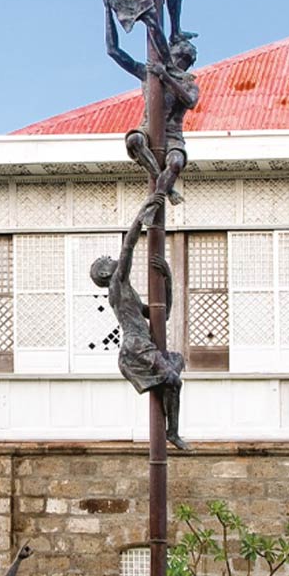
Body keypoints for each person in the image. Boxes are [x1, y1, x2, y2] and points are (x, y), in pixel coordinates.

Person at [89, 193, 189, 451]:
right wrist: (141, 217)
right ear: (104, 273)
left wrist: (167, 280)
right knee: (174, 380)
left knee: (177, 361)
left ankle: (165, 389)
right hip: (136, 346)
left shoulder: (126, 291)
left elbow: (161, 315)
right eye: (107, 262)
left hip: (143, 343)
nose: (113, 261)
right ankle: (173, 432)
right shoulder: (116, 284)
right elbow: (128, 248)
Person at [104, 0, 199, 216]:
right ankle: (165, 187)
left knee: (175, 163)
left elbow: (190, 101)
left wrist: (166, 76)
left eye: (183, 58)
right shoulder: (150, 75)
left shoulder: (188, 83)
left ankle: (155, 201)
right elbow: (114, 51)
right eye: (177, 55)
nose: (178, 59)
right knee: (134, 139)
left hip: (173, 135)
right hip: (148, 129)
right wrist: (107, 11)